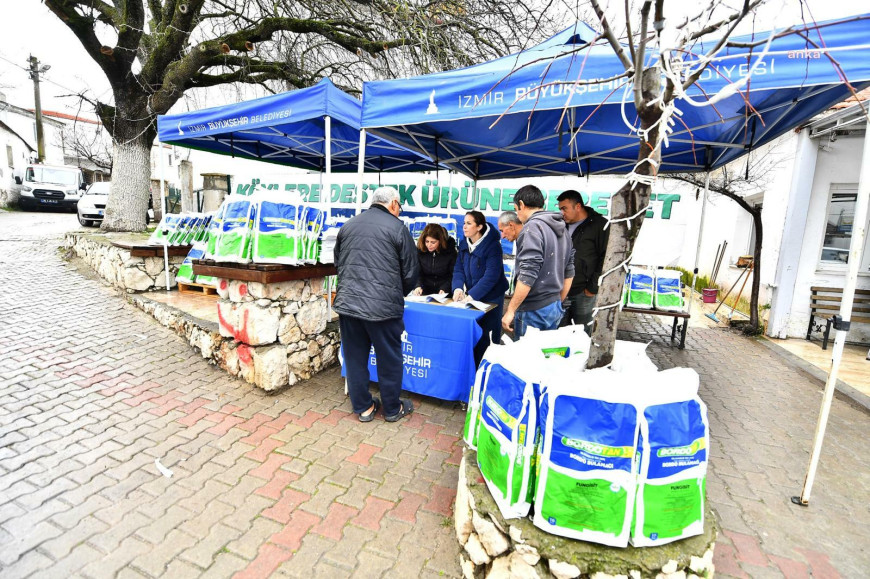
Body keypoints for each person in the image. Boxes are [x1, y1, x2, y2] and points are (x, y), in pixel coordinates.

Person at [334, 186, 417, 423]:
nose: (399, 210)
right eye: (399, 206)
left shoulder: (348, 225)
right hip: (383, 309)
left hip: (349, 305)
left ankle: (364, 408)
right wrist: (394, 292)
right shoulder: (398, 228)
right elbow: (411, 273)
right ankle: (392, 409)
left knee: (355, 358)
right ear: (393, 204)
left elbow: (338, 263)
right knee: (389, 359)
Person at [502, 185, 575, 338]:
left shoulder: (532, 227)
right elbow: (569, 271)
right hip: (554, 305)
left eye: (516, 209)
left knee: (527, 359)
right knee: (544, 358)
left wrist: (510, 310)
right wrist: (558, 300)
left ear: (521, 205)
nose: (517, 214)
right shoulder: (563, 229)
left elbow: (528, 273)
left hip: (533, 308)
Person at [452, 210, 509, 366]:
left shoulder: (493, 246)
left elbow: (491, 276)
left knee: (489, 334)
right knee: (474, 334)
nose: (464, 226)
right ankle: (474, 368)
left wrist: (471, 296)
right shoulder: (464, 243)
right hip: (473, 295)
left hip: (492, 296)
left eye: (469, 223)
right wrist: (457, 288)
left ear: (479, 227)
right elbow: (458, 269)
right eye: (464, 223)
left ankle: (489, 368)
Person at [557, 189, 609, 335]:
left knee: (581, 333)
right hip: (560, 289)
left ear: (578, 206)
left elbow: (605, 258)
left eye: (564, 208)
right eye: (560, 209)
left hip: (583, 292)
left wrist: (592, 288)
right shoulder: (561, 225)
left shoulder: (600, 225)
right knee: (559, 332)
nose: (562, 213)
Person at [411, 223, 457, 296]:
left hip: (444, 294)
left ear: (440, 241)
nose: (429, 245)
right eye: (427, 241)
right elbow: (417, 272)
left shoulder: (450, 252)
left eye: (433, 242)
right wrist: (418, 286)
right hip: (424, 293)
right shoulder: (420, 251)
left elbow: (453, 275)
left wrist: (445, 288)